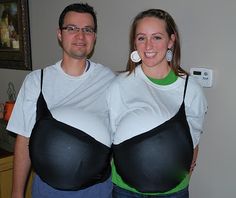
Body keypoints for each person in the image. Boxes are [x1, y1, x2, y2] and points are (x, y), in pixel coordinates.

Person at [7, 3, 115, 198]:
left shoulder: (110, 80)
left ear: (94, 37)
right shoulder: (36, 81)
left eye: (87, 30)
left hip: (97, 191)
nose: (80, 36)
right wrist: (17, 193)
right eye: (71, 28)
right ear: (60, 34)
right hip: (47, 191)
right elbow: (24, 140)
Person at [107, 9, 208, 197]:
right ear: (134, 43)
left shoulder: (190, 89)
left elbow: (193, 141)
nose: (148, 46)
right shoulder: (119, 86)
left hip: (173, 192)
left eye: (157, 37)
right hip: (125, 191)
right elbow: (112, 136)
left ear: (171, 40)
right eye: (141, 38)